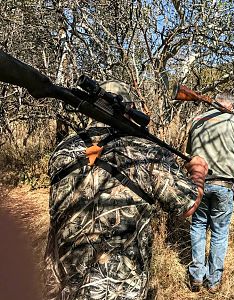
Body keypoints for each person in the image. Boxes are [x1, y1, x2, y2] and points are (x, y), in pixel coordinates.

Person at [43, 80, 208, 300]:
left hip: (64, 282)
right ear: (128, 109)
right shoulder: (147, 152)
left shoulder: (63, 149)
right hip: (120, 289)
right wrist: (198, 174)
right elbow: (187, 206)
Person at [186, 92, 234, 293]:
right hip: (224, 186)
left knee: (198, 227)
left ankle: (196, 277)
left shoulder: (196, 121)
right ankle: (214, 281)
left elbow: (190, 153)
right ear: (231, 106)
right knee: (219, 232)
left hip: (198, 183)